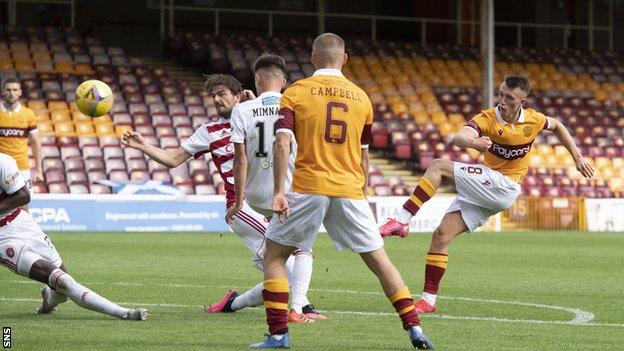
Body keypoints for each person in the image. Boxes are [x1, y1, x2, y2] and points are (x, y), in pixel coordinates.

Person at [249, 33, 434, 350]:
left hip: (309, 186)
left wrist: (279, 191)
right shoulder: (362, 98)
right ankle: (414, 328)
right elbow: (364, 156)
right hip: (350, 189)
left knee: (275, 256)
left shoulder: (297, 92)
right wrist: (363, 190)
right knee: (381, 263)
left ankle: (278, 335)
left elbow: (282, 142)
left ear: (312, 58)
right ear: (344, 59)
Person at [380, 75, 595, 314]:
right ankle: (428, 301)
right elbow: (459, 137)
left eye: (509, 97)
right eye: (501, 94)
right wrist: (473, 143)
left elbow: (557, 126)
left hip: (504, 186)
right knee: (441, 235)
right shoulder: (488, 118)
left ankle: (402, 219)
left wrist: (577, 157)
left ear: (522, 101)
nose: (502, 101)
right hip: (487, 189)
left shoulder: (533, 120)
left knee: (438, 166)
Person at [121, 74, 321, 322]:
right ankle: (302, 308)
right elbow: (173, 159)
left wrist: (255, 101)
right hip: (242, 208)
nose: (216, 99)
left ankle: (234, 304)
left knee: (281, 272)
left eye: (222, 94)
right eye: (213, 96)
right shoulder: (209, 131)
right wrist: (144, 147)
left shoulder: (254, 116)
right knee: (295, 255)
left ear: (238, 95)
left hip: (270, 202)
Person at [224, 54, 325, 322]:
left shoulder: (242, 109)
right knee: (304, 248)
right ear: (283, 80)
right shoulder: (296, 104)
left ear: (257, 80)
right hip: (290, 189)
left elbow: (240, 158)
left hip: (257, 196)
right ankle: (299, 307)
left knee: (275, 255)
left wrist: (238, 200)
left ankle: (236, 304)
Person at [0, 152, 146, 320]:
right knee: (64, 282)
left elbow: (23, 196)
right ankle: (124, 313)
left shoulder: (4, 162)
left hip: (22, 222)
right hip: (3, 239)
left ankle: (48, 300)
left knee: (62, 290)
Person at [0, 78, 44, 198]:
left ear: (20, 92)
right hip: (1, 167)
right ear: (2, 91)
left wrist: (39, 170)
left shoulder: (28, 114)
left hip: (21, 166)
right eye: (8, 90)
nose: (12, 93)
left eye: (15, 90)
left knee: (24, 202)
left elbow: (35, 142)